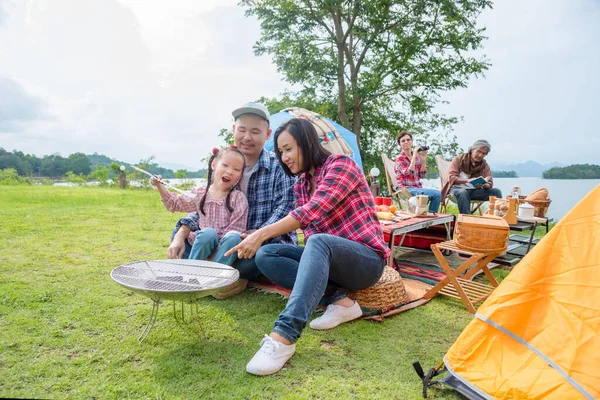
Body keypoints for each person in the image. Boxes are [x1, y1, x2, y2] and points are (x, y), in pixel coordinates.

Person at [225, 118, 389, 376]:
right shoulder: (301, 184)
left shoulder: (341, 164)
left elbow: (314, 210)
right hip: (329, 260)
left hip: (366, 261)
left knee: (316, 241)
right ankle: (340, 302)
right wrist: (258, 239)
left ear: (307, 142)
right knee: (267, 254)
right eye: (280, 152)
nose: (284, 157)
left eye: (288, 149)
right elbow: (310, 230)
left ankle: (284, 336)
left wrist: (260, 233)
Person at [169, 102, 297, 296]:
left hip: (258, 244)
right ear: (233, 130)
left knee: (262, 258)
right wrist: (181, 233)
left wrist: (255, 237)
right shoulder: (226, 165)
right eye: (242, 130)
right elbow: (206, 206)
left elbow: (285, 210)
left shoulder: (280, 167)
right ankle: (222, 274)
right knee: (181, 238)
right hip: (223, 240)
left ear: (267, 135)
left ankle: (216, 272)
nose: (247, 137)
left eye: (255, 131)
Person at [151, 146, 248, 266]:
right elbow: (174, 203)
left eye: (236, 169)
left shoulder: (238, 198)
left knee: (234, 237)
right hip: (203, 244)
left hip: (223, 251)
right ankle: (192, 271)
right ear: (214, 165)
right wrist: (160, 186)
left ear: (240, 176)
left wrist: (215, 254)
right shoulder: (200, 194)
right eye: (225, 165)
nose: (229, 171)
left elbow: (236, 229)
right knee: (208, 233)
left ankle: (215, 278)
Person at [440, 139, 502, 214]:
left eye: (483, 153)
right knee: (463, 192)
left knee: (496, 191)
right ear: (472, 149)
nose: (480, 155)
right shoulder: (459, 159)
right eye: (479, 151)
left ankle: (499, 218)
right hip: (456, 190)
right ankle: (466, 219)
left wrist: (485, 184)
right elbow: (452, 178)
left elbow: (490, 182)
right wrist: (468, 180)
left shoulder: (484, 165)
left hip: (473, 191)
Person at [393, 131, 442, 213]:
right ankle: (420, 217)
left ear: (412, 142)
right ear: (400, 144)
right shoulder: (399, 158)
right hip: (404, 188)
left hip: (416, 188)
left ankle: (431, 218)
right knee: (422, 194)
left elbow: (422, 175)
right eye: (403, 141)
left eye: (408, 140)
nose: (406, 142)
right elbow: (408, 172)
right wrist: (415, 155)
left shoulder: (417, 156)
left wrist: (423, 160)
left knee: (437, 194)